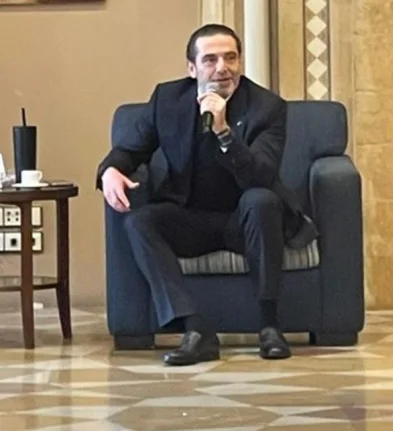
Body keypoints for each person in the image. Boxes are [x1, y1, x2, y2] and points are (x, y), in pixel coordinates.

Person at [96, 24, 318, 366]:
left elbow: (261, 175)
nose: (222, 68)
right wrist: (110, 170)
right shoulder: (167, 99)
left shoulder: (267, 107)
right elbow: (130, 149)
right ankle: (196, 330)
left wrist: (224, 131)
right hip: (190, 218)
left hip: (246, 221)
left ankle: (269, 327)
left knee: (261, 200)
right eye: (210, 60)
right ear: (192, 68)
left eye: (230, 58)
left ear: (240, 62)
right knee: (140, 222)